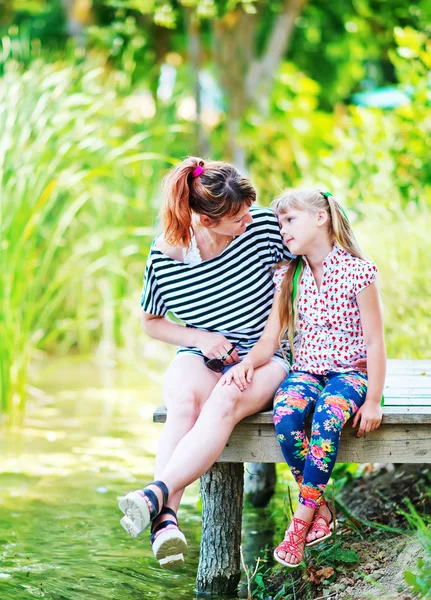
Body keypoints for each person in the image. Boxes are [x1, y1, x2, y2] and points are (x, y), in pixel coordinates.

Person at [118, 157, 294, 569]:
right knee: (183, 405)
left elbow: (302, 274)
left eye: (248, 208)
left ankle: (154, 498)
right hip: (202, 353)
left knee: (223, 403)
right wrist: (201, 337)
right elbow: (151, 323)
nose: (248, 219)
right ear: (202, 218)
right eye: (236, 216)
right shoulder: (167, 253)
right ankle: (166, 524)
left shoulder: (266, 229)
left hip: (265, 356)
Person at [220, 188, 386, 568]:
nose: (282, 230)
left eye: (289, 220)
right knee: (287, 414)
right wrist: (248, 364)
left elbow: (376, 342)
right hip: (306, 370)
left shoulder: (359, 273)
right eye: (279, 222)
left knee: (328, 414)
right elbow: (270, 337)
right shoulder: (289, 275)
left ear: (321, 219)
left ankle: (301, 521)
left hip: (350, 373)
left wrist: (373, 399)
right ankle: (321, 508)